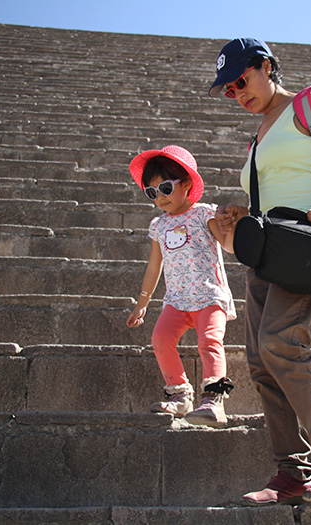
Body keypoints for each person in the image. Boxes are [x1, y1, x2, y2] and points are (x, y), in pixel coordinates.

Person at [209, 38, 311, 505]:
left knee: (280, 341)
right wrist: (240, 215)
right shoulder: (257, 136)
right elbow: (269, 196)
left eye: (242, 81)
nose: (238, 93)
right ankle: (292, 471)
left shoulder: (309, 102)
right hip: (266, 253)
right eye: (230, 90)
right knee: (260, 362)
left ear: (266, 66)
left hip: (306, 244)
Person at [126, 145, 236, 428]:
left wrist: (232, 227)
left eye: (165, 188)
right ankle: (179, 395)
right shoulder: (158, 225)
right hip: (176, 299)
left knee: (209, 342)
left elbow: (228, 246)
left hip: (209, 295)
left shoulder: (204, 213)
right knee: (160, 339)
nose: (160, 197)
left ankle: (213, 400)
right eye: (152, 193)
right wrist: (142, 303)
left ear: (186, 184)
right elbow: (154, 267)